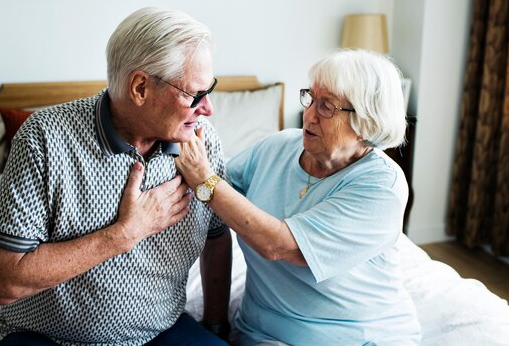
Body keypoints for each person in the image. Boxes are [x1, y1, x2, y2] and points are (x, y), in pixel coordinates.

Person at [0, 7, 232, 345]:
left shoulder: (202, 140)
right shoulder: (44, 138)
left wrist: (216, 325)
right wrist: (125, 234)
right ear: (140, 87)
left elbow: (217, 236)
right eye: (194, 94)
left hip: (160, 333)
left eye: (210, 89)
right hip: (45, 337)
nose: (207, 108)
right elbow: (3, 282)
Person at [175, 49, 421, 345]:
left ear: (366, 121)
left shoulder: (383, 186)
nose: (309, 115)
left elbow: (279, 246)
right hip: (260, 332)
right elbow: (212, 196)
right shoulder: (278, 147)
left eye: (327, 106)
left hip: (357, 336)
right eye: (310, 98)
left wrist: (205, 180)